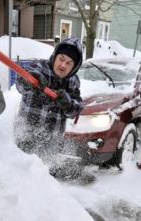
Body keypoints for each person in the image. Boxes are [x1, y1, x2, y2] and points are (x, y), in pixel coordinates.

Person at [14, 37, 91, 181]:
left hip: (51, 143)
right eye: (61, 59)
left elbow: (77, 108)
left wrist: (68, 104)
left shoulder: (73, 82)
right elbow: (21, 81)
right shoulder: (39, 68)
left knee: (43, 184)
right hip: (26, 136)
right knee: (19, 180)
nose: (63, 65)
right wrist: (30, 80)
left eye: (69, 63)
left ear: (74, 67)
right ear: (55, 56)